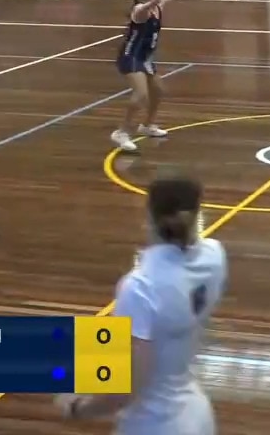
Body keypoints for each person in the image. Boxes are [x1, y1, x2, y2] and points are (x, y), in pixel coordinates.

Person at [55, 171, 227, 435]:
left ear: (149, 217)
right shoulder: (216, 257)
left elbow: (126, 389)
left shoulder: (140, 287)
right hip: (197, 414)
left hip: (154, 425)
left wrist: (77, 407)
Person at [111, 0, 200, 153]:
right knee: (141, 94)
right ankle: (121, 132)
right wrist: (153, 2)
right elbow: (144, 8)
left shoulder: (159, 5)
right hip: (131, 56)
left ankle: (147, 125)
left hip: (145, 58)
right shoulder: (139, 10)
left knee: (158, 91)